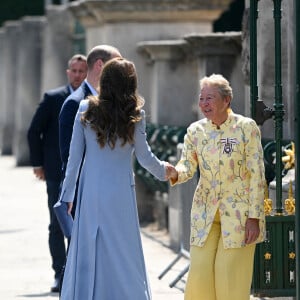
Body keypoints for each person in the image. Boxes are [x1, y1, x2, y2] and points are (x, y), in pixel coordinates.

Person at [58, 58, 175, 299]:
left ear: (104, 81)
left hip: (91, 192)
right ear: (131, 84)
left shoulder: (84, 109)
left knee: (92, 247)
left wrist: (67, 196)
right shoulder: (136, 115)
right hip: (121, 193)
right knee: (123, 250)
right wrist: (166, 171)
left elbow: (74, 159)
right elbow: (145, 158)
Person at [167, 74, 266, 300]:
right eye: (202, 99)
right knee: (200, 273)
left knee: (229, 275)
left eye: (210, 98)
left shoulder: (246, 128)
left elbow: (257, 174)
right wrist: (175, 172)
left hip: (240, 215)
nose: (204, 104)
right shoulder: (195, 131)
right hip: (205, 212)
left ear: (226, 100)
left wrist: (254, 217)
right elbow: (188, 166)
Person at [27, 54, 88, 293]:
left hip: (83, 172)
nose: (77, 75)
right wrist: (37, 164)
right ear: (67, 72)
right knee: (56, 224)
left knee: (80, 223)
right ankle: (59, 273)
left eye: (82, 71)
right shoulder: (53, 98)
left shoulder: (94, 98)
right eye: (74, 70)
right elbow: (34, 131)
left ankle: (75, 272)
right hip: (55, 172)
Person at [59, 45, 122, 175]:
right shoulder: (75, 103)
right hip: (83, 190)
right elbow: (69, 156)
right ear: (100, 65)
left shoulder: (110, 99)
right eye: (117, 64)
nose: (121, 70)